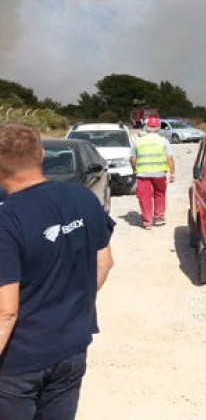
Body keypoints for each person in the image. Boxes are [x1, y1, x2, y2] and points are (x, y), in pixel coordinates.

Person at [0, 122, 115, 419]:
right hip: (72, 347)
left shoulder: (6, 220)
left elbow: (6, 312)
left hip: (18, 363)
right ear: (40, 155)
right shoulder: (82, 198)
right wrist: (69, 305)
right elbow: (104, 262)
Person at [130, 116, 175, 229]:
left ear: (147, 127)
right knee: (159, 194)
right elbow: (169, 158)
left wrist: (135, 169)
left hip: (143, 174)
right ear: (159, 127)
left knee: (145, 197)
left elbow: (133, 159)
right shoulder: (163, 141)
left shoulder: (138, 141)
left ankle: (147, 222)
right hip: (159, 174)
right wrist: (172, 173)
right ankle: (159, 217)